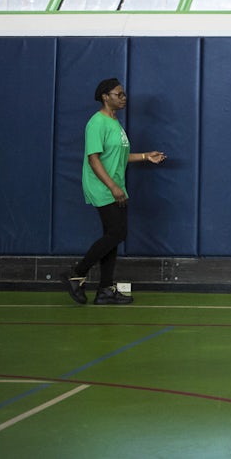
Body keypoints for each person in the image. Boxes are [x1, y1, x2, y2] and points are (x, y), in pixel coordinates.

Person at [61, 78, 166, 306]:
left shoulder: (115, 123)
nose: (124, 97)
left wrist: (146, 156)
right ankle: (76, 274)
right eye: (119, 94)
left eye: (124, 94)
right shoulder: (96, 123)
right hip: (103, 186)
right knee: (118, 233)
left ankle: (105, 290)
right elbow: (93, 159)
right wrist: (113, 186)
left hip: (115, 186)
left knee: (113, 236)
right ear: (105, 97)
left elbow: (118, 157)